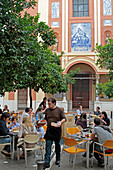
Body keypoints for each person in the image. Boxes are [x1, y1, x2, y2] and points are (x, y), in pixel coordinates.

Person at [43, 97, 66, 169]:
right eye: (48, 104)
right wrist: (41, 123)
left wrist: (60, 122)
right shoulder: (47, 110)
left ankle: (58, 159)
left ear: (54, 103)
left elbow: (64, 118)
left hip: (57, 130)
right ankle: (47, 161)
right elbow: (45, 119)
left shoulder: (59, 110)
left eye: (50, 104)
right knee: (48, 146)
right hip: (49, 130)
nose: (49, 105)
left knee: (57, 145)